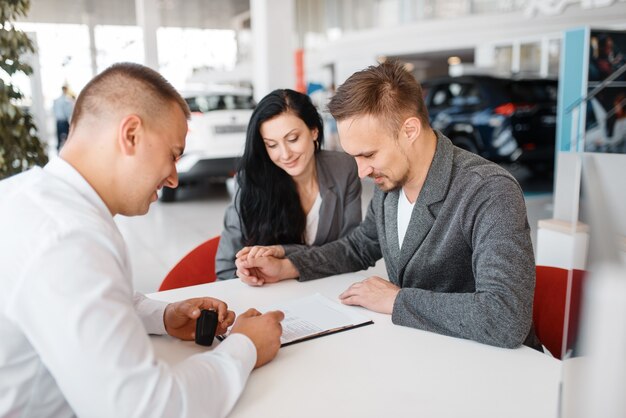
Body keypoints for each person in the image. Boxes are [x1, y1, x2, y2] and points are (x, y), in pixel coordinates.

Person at [0, 63, 284, 417]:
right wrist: (245, 346)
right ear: (131, 134)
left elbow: (93, 299)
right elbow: (147, 409)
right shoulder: (68, 239)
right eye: (173, 155)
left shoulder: (26, 196)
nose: (174, 179)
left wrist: (164, 316)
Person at [235, 61, 539, 350]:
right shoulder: (391, 181)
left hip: (490, 366)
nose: (360, 172)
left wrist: (397, 301)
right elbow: (359, 247)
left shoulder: (488, 191)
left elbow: (505, 317)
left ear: (409, 130)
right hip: (423, 348)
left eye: (368, 155)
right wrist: (287, 264)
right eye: (354, 156)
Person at [215, 89, 362, 280]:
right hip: (266, 296)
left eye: (292, 139)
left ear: (314, 131)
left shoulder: (343, 169)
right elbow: (226, 268)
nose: (285, 155)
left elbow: (351, 251)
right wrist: (244, 273)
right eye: (272, 145)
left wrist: (283, 253)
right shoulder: (250, 180)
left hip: (328, 292)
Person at [52, 85, 74, 151]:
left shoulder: (57, 100)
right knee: (67, 137)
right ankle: (67, 150)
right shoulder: (66, 100)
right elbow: (68, 112)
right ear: (65, 90)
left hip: (58, 121)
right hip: (63, 121)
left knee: (59, 137)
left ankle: (59, 151)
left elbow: (54, 110)